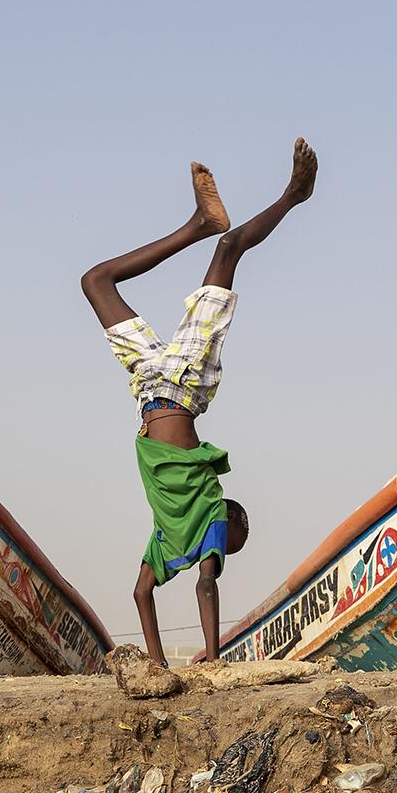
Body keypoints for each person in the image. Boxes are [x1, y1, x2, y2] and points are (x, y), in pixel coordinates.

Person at [80, 140, 319, 666]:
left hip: (147, 384)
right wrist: (213, 653)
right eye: (232, 541)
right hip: (184, 383)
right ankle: (292, 196)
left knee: (94, 281)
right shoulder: (210, 513)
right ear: (227, 520)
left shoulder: (166, 541)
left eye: (228, 546)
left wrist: (159, 663)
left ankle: (196, 225)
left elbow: (142, 596)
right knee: (230, 250)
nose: (224, 551)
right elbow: (206, 587)